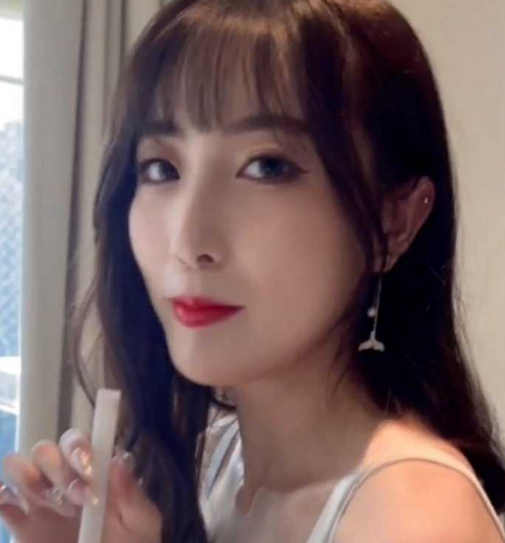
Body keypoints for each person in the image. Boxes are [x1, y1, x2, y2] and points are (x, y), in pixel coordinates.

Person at [1, 0, 505, 541]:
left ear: (394, 221)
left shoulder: (414, 517)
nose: (189, 241)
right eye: (161, 168)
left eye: (266, 167)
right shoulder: (217, 458)